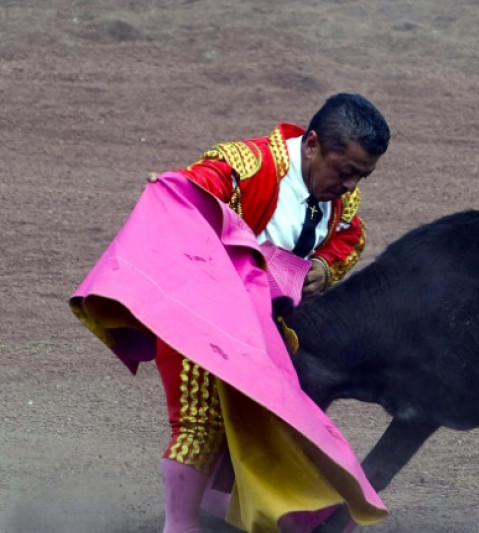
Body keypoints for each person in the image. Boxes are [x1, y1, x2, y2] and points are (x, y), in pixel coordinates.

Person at [71, 93, 391, 533]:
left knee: (252, 423)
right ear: (313, 144)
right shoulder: (248, 165)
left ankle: (225, 515)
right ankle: (180, 526)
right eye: (346, 171)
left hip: (262, 331)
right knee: (200, 422)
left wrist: (321, 267)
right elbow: (195, 190)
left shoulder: (340, 202)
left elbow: (350, 236)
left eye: (362, 176)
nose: (351, 186)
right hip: (201, 312)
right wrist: (175, 189)